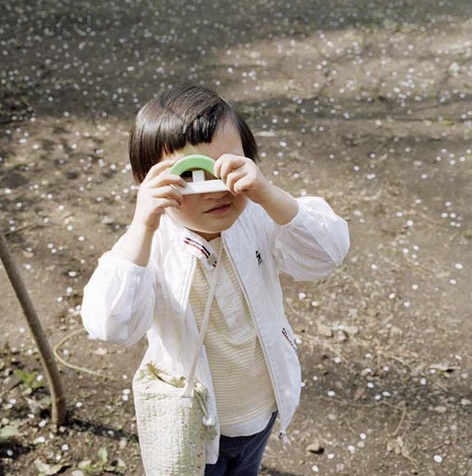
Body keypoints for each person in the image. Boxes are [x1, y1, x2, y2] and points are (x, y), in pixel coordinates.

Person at [81, 84, 350, 476]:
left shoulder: (257, 218)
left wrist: (268, 194)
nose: (217, 188)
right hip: (192, 422)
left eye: (230, 166)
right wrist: (142, 225)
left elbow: (326, 254)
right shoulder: (149, 248)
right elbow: (110, 324)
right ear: (148, 183)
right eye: (190, 175)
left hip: (261, 408)